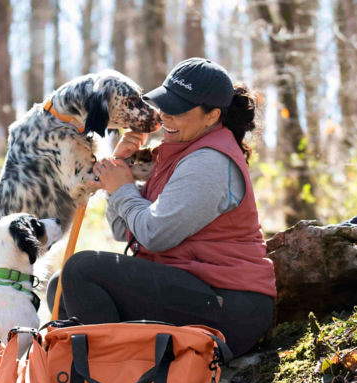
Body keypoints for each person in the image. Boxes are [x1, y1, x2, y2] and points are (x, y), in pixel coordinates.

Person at [47, 58, 276, 356]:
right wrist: (120, 165)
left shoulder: (210, 162)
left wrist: (123, 188)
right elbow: (123, 231)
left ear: (211, 116)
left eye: (178, 109)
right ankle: (99, 380)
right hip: (193, 290)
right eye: (165, 103)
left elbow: (154, 234)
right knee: (61, 289)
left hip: (230, 306)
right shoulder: (178, 152)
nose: (165, 115)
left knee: (81, 270)